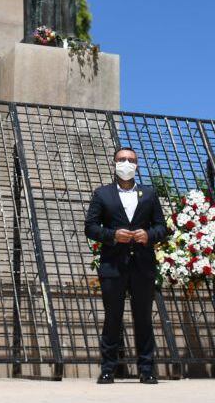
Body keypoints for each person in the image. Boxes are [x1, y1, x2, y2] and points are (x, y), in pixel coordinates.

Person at [84, 147, 169, 385]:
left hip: (143, 265)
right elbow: (90, 227)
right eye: (122, 159)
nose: (126, 163)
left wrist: (148, 235)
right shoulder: (102, 194)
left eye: (131, 160)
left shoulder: (149, 194)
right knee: (112, 317)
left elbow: (162, 227)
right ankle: (108, 368)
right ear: (114, 163)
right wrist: (112, 235)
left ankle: (147, 369)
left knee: (143, 317)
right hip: (113, 265)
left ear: (137, 165)